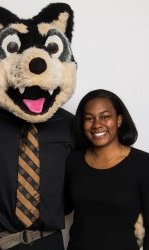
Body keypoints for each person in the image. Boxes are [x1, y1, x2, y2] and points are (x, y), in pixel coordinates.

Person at [65, 89, 149, 250]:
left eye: (105, 117)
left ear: (118, 120)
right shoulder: (72, 162)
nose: (97, 124)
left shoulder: (143, 164)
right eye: (89, 118)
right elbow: (62, 207)